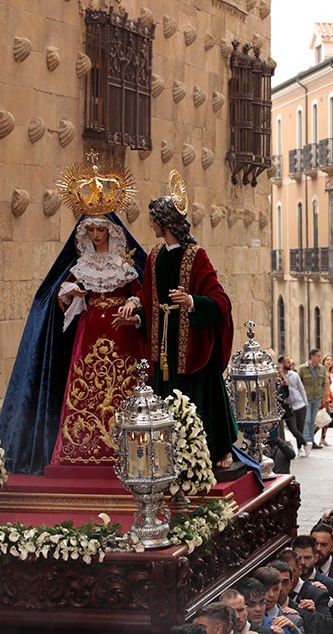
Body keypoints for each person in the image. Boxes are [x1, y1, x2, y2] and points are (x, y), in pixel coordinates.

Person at [0, 213, 147, 474]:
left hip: (121, 334)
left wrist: (133, 303)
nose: (96, 235)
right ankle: (78, 449)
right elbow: (59, 294)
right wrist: (70, 293)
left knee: (123, 387)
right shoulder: (82, 265)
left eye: (100, 229)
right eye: (91, 230)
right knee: (85, 388)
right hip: (88, 334)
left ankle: (127, 448)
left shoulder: (124, 263)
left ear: (111, 231)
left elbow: (142, 290)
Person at [118, 196, 238, 469]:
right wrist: (135, 317)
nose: (150, 225)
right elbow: (148, 298)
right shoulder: (154, 256)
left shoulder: (197, 255)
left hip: (192, 344)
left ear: (165, 222)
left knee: (202, 398)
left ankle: (217, 449)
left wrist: (192, 301)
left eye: (153, 220)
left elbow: (220, 301)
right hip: (164, 346)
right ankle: (166, 454)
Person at [297, 349, 327, 454]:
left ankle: (311, 440)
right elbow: (298, 383)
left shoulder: (321, 368)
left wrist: (322, 395)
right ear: (312, 357)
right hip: (306, 398)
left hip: (317, 398)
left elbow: (324, 383)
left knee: (313, 420)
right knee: (307, 420)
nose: (320, 358)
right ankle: (307, 441)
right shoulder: (302, 368)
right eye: (318, 356)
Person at [279, 356, 309, 456]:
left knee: (300, 428)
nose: (290, 364)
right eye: (287, 362)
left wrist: (305, 403)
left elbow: (301, 389)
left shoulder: (294, 375)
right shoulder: (279, 376)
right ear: (282, 363)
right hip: (288, 407)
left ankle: (300, 449)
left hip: (300, 405)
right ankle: (306, 443)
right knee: (293, 429)